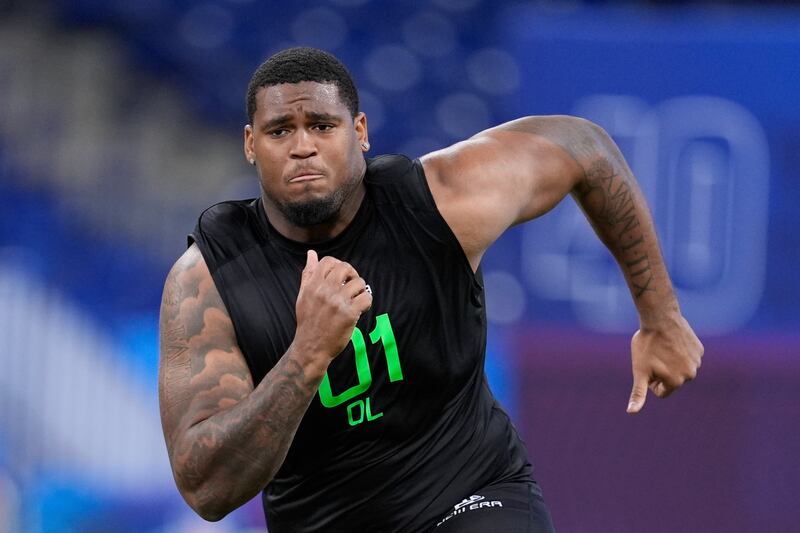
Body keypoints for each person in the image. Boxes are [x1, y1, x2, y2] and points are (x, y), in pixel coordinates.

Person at [158, 47, 703, 532]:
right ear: (251, 144)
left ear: (361, 132)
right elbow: (207, 489)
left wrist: (660, 316)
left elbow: (584, 147)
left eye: (323, 126)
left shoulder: (438, 203)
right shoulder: (208, 280)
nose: (303, 147)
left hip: (474, 495)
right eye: (280, 131)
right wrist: (307, 356)